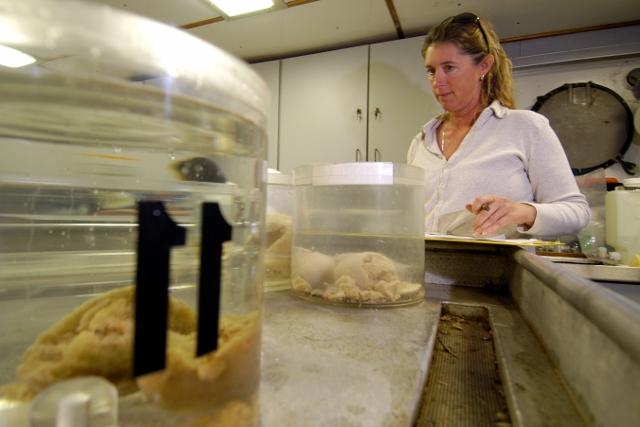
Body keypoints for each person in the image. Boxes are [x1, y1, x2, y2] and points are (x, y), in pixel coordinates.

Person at [407, 12, 590, 238]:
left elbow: (577, 212)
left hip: (494, 273)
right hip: (423, 272)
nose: (437, 81)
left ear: (484, 66)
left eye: (449, 68)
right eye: (431, 71)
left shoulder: (526, 127)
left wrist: (522, 212)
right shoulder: (422, 141)